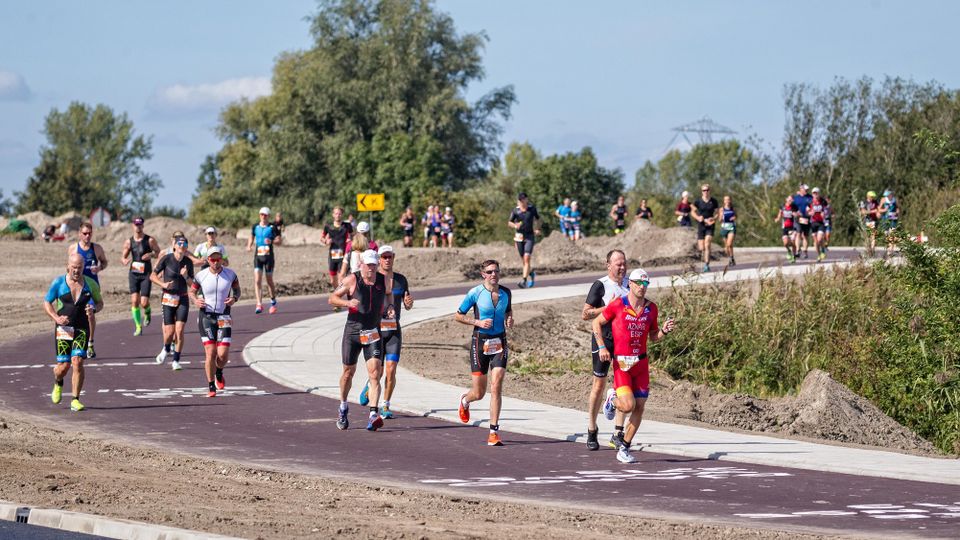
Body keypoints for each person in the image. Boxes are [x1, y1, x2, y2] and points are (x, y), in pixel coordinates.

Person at [594, 268, 675, 463]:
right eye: (639, 283)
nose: (642, 287)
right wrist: (602, 347)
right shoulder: (617, 305)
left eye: (646, 284)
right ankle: (612, 400)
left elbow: (654, 336)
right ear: (630, 283)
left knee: (640, 406)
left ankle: (625, 447)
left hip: (641, 363)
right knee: (628, 405)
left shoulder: (651, 308)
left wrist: (663, 331)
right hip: (622, 362)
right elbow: (596, 323)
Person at [329, 249, 394, 432]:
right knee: (348, 373)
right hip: (353, 332)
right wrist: (347, 303)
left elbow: (389, 294)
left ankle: (373, 414)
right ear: (361, 265)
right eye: (368, 265)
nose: (371, 268)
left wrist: (389, 306)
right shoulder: (352, 280)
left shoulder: (384, 280)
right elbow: (332, 298)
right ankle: (343, 406)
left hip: (372, 331)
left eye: (374, 264)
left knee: (375, 373)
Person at [454, 259, 514, 446]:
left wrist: (510, 319)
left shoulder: (506, 292)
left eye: (496, 271)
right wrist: (477, 323)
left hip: (500, 342)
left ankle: (493, 431)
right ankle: (465, 400)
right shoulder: (475, 293)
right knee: (479, 393)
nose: (493, 274)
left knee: (496, 385)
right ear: (483, 274)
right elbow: (458, 315)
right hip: (480, 342)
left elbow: (508, 311)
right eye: (489, 272)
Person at [357, 245, 414, 419]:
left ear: (393, 257)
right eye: (384, 257)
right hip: (376, 330)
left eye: (390, 256)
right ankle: (370, 384)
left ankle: (386, 405)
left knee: (391, 370)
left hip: (394, 330)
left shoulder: (401, 280)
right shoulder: (374, 279)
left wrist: (408, 303)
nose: (387, 260)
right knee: (378, 372)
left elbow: (407, 303)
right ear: (379, 259)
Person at [581, 249, 629, 451]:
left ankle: (617, 434)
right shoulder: (601, 285)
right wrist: (608, 308)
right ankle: (592, 430)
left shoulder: (630, 284)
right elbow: (585, 314)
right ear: (608, 265)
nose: (622, 267)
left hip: (624, 343)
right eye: (618, 264)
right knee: (598, 385)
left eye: (624, 263)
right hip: (603, 340)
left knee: (624, 387)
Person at [44, 253, 103, 411]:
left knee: (77, 361)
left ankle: (75, 399)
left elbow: (100, 303)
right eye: (74, 268)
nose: (76, 271)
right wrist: (56, 317)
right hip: (64, 329)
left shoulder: (91, 284)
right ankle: (58, 381)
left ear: (83, 267)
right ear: (67, 266)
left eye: (80, 268)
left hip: (81, 328)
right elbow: (47, 302)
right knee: (63, 367)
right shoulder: (58, 283)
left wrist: (94, 309)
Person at [189, 247, 240, 397]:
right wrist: (196, 300)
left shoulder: (230, 274)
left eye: (218, 259)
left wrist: (234, 299)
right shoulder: (201, 276)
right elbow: (192, 292)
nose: (216, 263)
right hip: (206, 317)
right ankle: (211, 386)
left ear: (222, 260)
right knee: (210, 352)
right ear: (207, 260)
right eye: (212, 260)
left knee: (223, 355)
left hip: (224, 317)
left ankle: (219, 371)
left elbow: (237, 290)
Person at [151, 236, 194, 371]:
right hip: (168, 298)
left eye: (184, 243)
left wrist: (186, 276)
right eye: (179, 243)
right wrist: (163, 284)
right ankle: (166, 348)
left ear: (186, 247)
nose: (182, 245)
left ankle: (176, 360)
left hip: (183, 298)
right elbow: (152, 276)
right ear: (174, 246)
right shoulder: (166, 258)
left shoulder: (188, 262)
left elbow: (193, 285)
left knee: (179, 330)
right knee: (169, 333)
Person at [68, 222, 108, 358]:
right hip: (75, 286)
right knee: (74, 314)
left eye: (89, 233)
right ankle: (74, 342)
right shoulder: (73, 248)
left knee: (90, 314)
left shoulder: (96, 248)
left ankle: (90, 343)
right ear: (79, 234)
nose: (87, 236)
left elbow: (104, 262)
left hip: (91, 287)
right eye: (84, 233)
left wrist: (99, 268)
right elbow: (68, 267)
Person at [120, 217, 161, 336]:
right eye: (136, 225)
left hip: (146, 274)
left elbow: (159, 253)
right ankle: (138, 326)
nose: (138, 227)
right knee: (134, 301)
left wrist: (151, 255)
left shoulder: (150, 240)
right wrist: (124, 260)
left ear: (143, 226)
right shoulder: (129, 241)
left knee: (143, 302)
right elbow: (123, 256)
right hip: (133, 273)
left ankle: (147, 311)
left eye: (140, 224)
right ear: (133, 226)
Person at [246, 207, 281, 314]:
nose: (263, 216)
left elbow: (279, 241)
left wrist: (271, 241)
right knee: (257, 280)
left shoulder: (272, 227)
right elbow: (251, 236)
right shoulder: (255, 227)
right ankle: (259, 304)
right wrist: (249, 245)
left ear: (268, 216)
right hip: (258, 257)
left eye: (265, 215)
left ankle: (273, 302)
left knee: (269, 280)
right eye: (261, 214)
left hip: (269, 257)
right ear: (259, 215)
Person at [508, 193, 540, 288]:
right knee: (524, 261)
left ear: (526, 199)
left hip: (529, 236)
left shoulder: (532, 209)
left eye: (523, 199)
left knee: (526, 258)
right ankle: (531, 273)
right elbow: (509, 222)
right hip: (518, 237)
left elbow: (538, 219)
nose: (521, 202)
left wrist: (538, 228)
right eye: (520, 200)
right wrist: (515, 225)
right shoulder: (515, 211)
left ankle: (524, 281)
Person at [322, 206, 353, 290]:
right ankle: (338, 291)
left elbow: (353, 236)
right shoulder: (328, 226)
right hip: (332, 255)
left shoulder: (347, 226)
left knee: (341, 277)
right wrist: (326, 241)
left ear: (342, 215)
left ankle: (340, 294)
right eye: (336, 213)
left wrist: (350, 240)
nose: (338, 215)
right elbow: (322, 238)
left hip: (344, 254)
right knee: (333, 281)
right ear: (333, 215)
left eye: (339, 214)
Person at [691, 185, 719, 272]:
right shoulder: (698, 201)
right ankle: (704, 259)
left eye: (707, 190)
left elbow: (717, 213)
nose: (705, 192)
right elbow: (692, 212)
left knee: (707, 244)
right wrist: (698, 217)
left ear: (709, 190)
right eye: (704, 190)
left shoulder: (714, 201)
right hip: (701, 225)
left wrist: (713, 218)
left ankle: (706, 265)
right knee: (701, 247)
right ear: (701, 191)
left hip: (710, 225)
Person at [775, 195, 799, 263]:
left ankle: (793, 256)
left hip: (793, 227)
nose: (790, 201)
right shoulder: (782, 206)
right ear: (786, 199)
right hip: (785, 227)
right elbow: (780, 214)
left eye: (792, 200)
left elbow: (798, 214)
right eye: (789, 199)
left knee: (793, 243)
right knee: (785, 243)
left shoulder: (794, 207)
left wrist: (796, 215)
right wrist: (777, 218)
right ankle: (789, 251)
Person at [793, 184, 813, 259]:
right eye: (805, 189)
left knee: (805, 236)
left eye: (807, 190)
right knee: (798, 233)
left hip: (806, 218)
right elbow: (792, 208)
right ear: (801, 189)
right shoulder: (796, 198)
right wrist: (794, 213)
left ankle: (805, 251)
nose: (807, 191)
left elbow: (813, 207)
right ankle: (798, 250)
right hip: (798, 218)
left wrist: (811, 211)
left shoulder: (810, 197)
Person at [859, 191, 881, 257]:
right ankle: (869, 250)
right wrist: (872, 211)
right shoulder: (863, 202)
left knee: (873, 236)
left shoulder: (875, 202)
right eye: (872, 197)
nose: (873, 198)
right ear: (868, 196)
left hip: (874, 221)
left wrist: (878, 213)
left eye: (873, 197)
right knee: (868, 237)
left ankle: (872, 250)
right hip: (867, 221)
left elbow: (878, 210)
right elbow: (863, 212)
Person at [809, 188, 828, 262]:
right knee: (816, 241)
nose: (815, 195)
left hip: (821, 222)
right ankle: (818, 255)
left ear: (819, 193)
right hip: (813, 223)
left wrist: (824, 213)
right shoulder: (810, 201)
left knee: (820, 239)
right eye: (814, 193)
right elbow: (807, 211)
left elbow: (827, 209)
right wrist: (810, 213)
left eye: (816, 193)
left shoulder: (823, 201)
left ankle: (823, 250)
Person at [880, 189, 900, 258]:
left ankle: (890, 251)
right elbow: (879, 209)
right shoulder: (883, 200)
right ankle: (888, 248)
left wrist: (897, 212)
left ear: (891, 194)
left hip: (893, 219)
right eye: (886, 196)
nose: (888, 197)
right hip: (886, 219)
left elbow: (898, 209)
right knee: (886, 234)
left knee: (892, 234)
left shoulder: (895, 200)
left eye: (888, 195)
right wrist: (884, 210)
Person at [719, 195, 737, 266]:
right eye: (725, 200)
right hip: (724, 228)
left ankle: (731, 258)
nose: (727, 201)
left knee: (729, 244)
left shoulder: (733, 208)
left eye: (728, 199)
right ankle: (731, 258)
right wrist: (721, 216)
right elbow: (720, 220)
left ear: (730, 200)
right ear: (724, 201)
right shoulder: (721, 209)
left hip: (731, 227)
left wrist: (734, 218)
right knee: (727, 247)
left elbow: (736, 216)